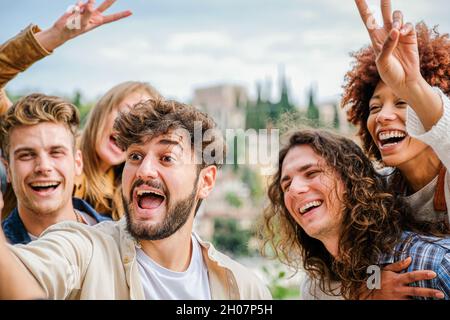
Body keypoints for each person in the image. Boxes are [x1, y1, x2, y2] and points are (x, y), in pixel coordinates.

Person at [0, 98, 271, 300]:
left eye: (167, 158)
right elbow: (28, 271)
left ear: (206, 181)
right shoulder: (85, 250)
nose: (144, 171)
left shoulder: (246, 289)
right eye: (135, 156)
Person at [0, 1, 162, 219]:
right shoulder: (36, 143)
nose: (129, 127)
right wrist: (55, 36)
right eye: (125, 113)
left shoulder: (129, 200)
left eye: (144, 125)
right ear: (102, 111)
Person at [263, 129, 450, 300]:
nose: (294, 189)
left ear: (351, 181)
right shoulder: (316, 288)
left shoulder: (429, 264)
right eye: (286, 185)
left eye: (312, 173)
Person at [343, 0, 450, 227]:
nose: (382, 116)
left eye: (403, 102)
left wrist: (413, 85)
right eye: (374, 107)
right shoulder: (376, 193)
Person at [0, 93, 110, 244]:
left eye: (56, 153)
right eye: (26, 155)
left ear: (77, 163)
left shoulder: (120, 240)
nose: (43, 167)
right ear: (8, 170)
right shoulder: (4, 254)